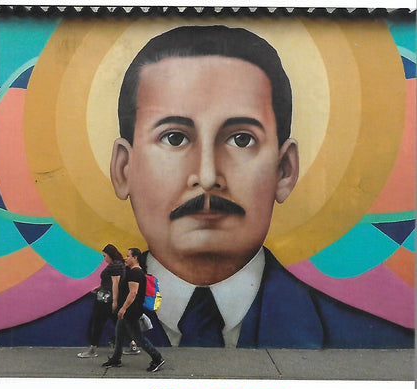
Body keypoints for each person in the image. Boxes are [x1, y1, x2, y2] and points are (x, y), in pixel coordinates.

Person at [110, 25, 414, 348]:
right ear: (123, 169)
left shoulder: (376, 345)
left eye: (242, 140)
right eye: (174, 138)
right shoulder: (79, 326)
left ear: (284, 170)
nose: (208, 176)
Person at [102, 248, 165, 371]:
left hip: (131, 311)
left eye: (128, 256)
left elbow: (133, 293)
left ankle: (157, 358)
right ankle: (116, 359)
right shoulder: (134, 272)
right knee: (119, 334)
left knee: (138, 338)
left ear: (135, 258)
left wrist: (123, 308)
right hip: (128, 311)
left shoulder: (135, 273)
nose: (126, 258)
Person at [78, 244, 140, 357]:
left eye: (105, 256)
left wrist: (114, 302)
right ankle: (133, 345)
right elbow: (111, 282)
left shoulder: (114, 266)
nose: (104, 259)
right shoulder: (119, 264)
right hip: (109, 298)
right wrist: (100, 287)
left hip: (106, 300)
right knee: (117, 322)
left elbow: (115, 284)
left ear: (110, 255)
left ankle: (92, 349)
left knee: (98, 323)